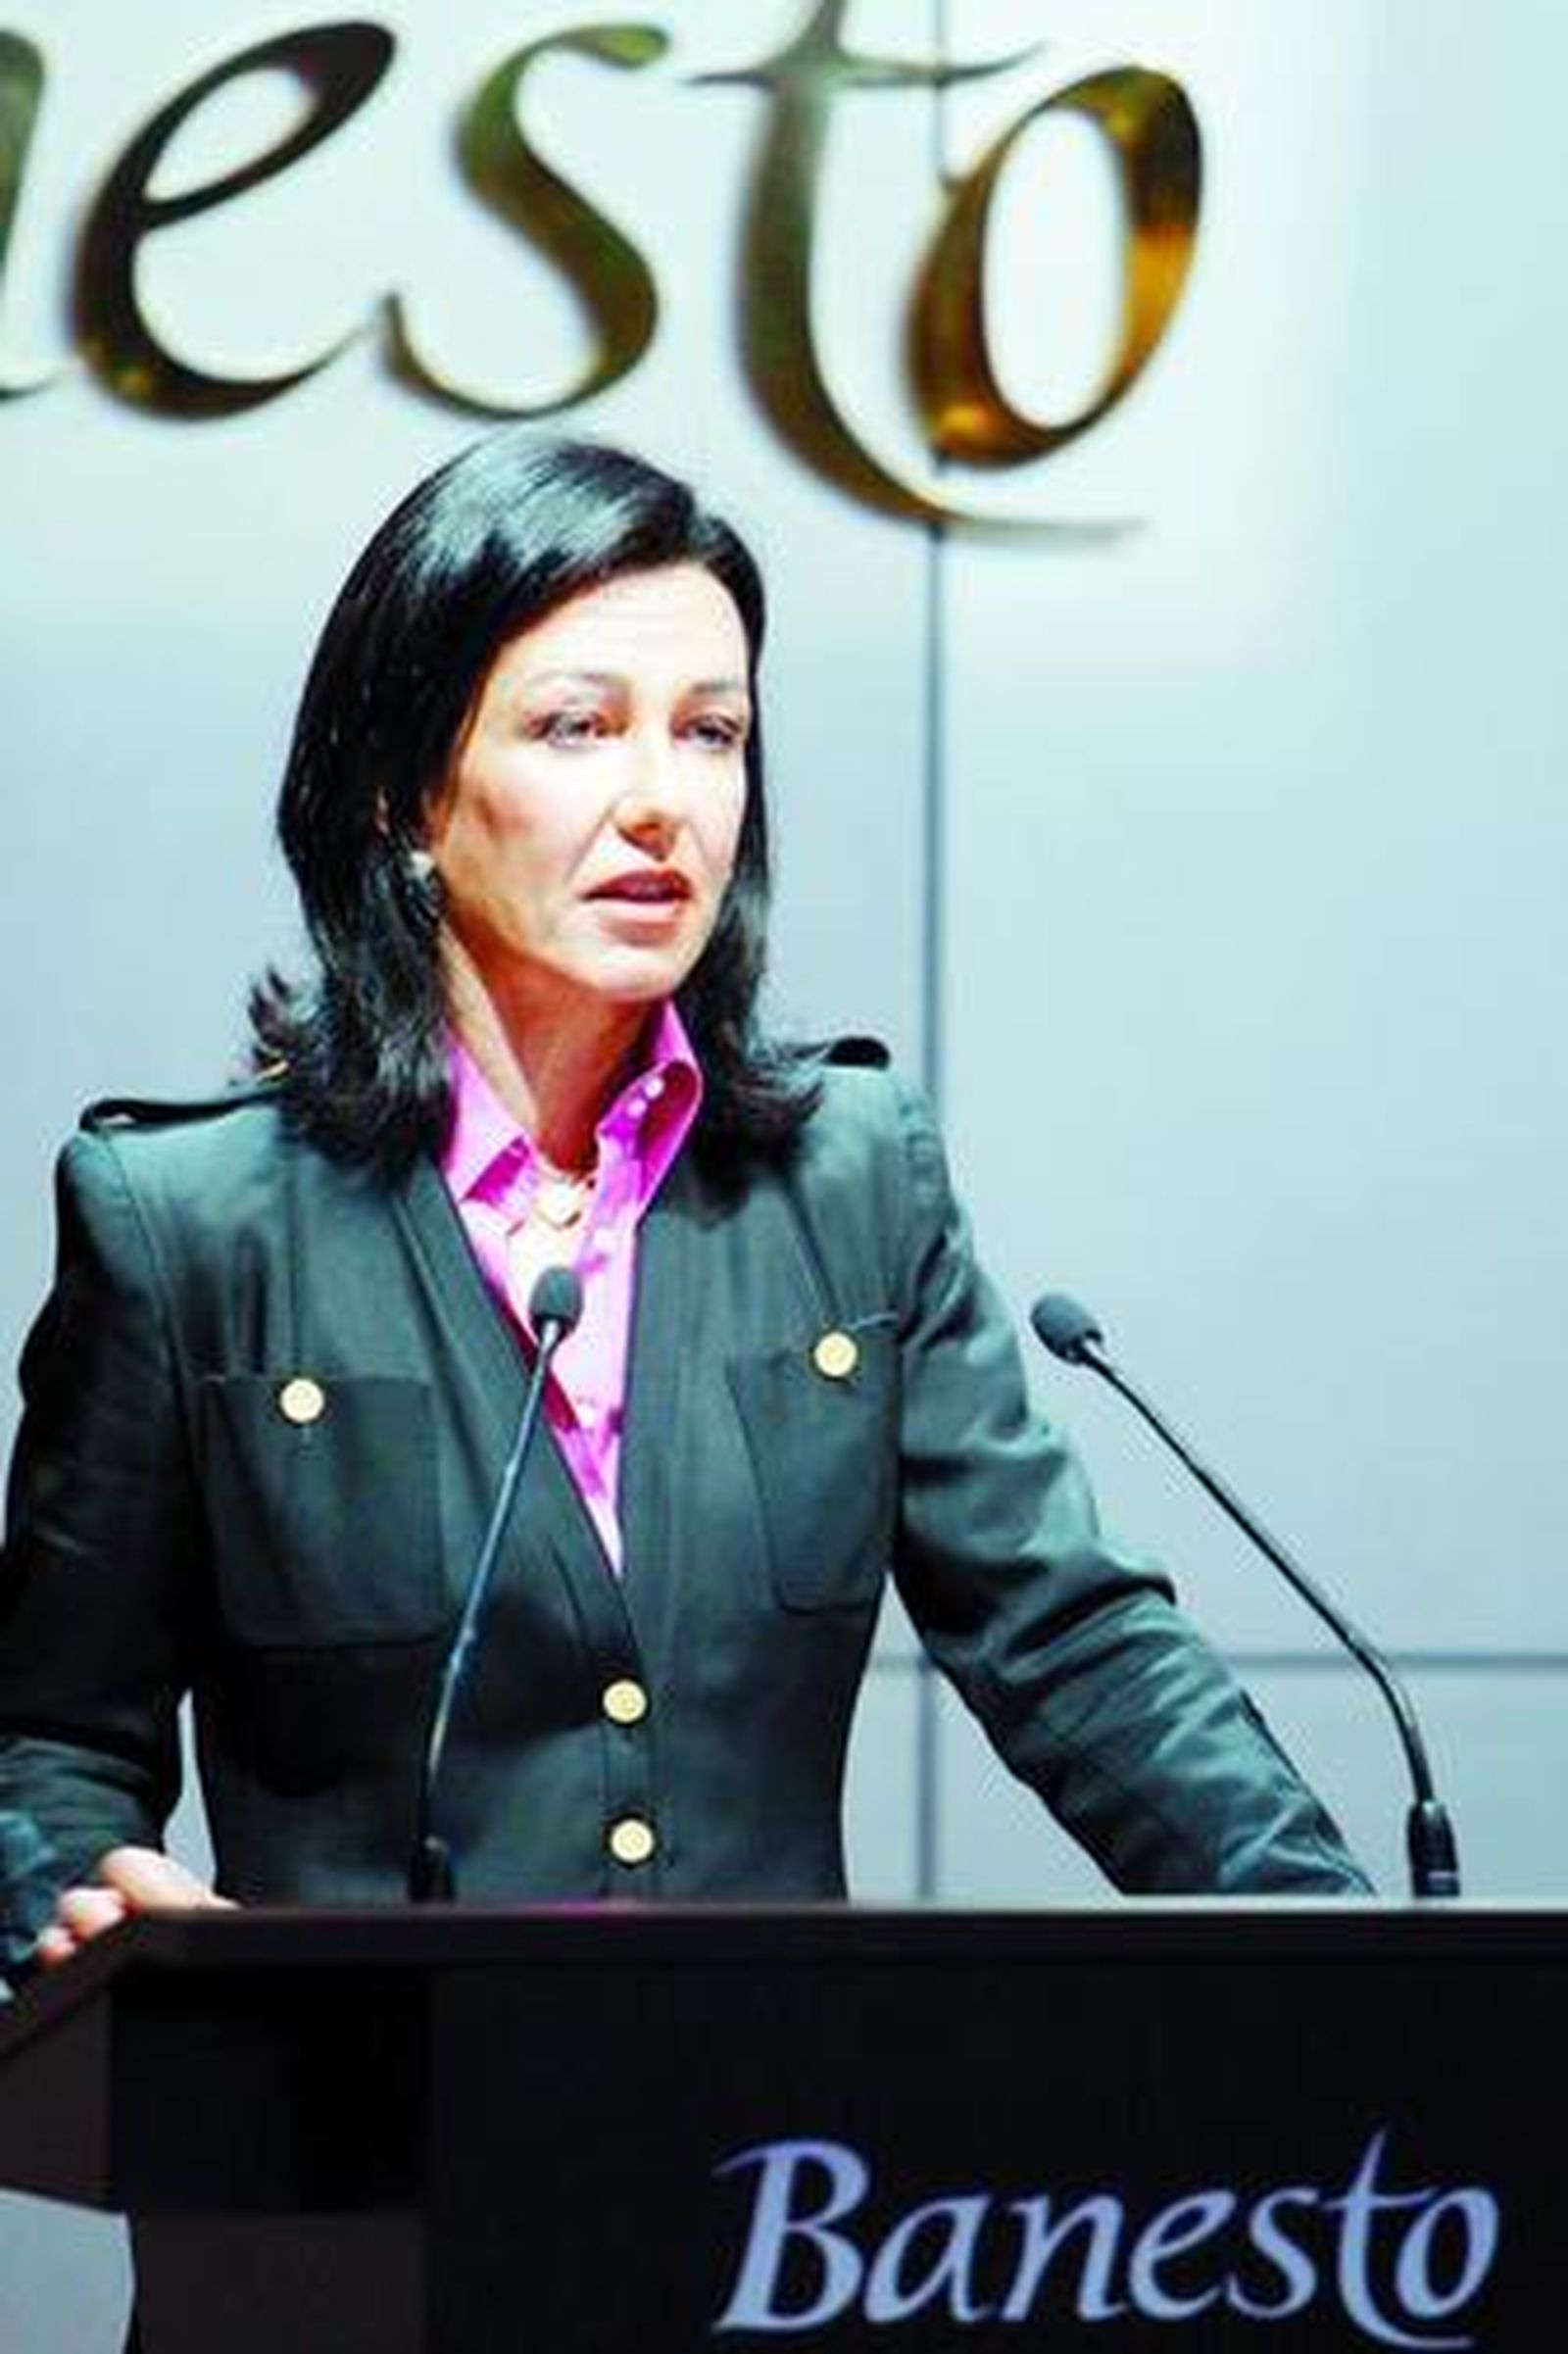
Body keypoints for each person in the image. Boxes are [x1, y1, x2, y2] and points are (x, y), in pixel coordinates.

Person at [0, 431, 1367, 1969]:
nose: (663, 801)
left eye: (711, 733)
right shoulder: (190, 1224)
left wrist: (1350, 1950)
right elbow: (48, 1739)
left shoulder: (849, 1179)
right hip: (357, 2106)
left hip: (768, 2109)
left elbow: (1074, 1645)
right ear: (403, 794)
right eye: (578, 727)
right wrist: (79, 1898)